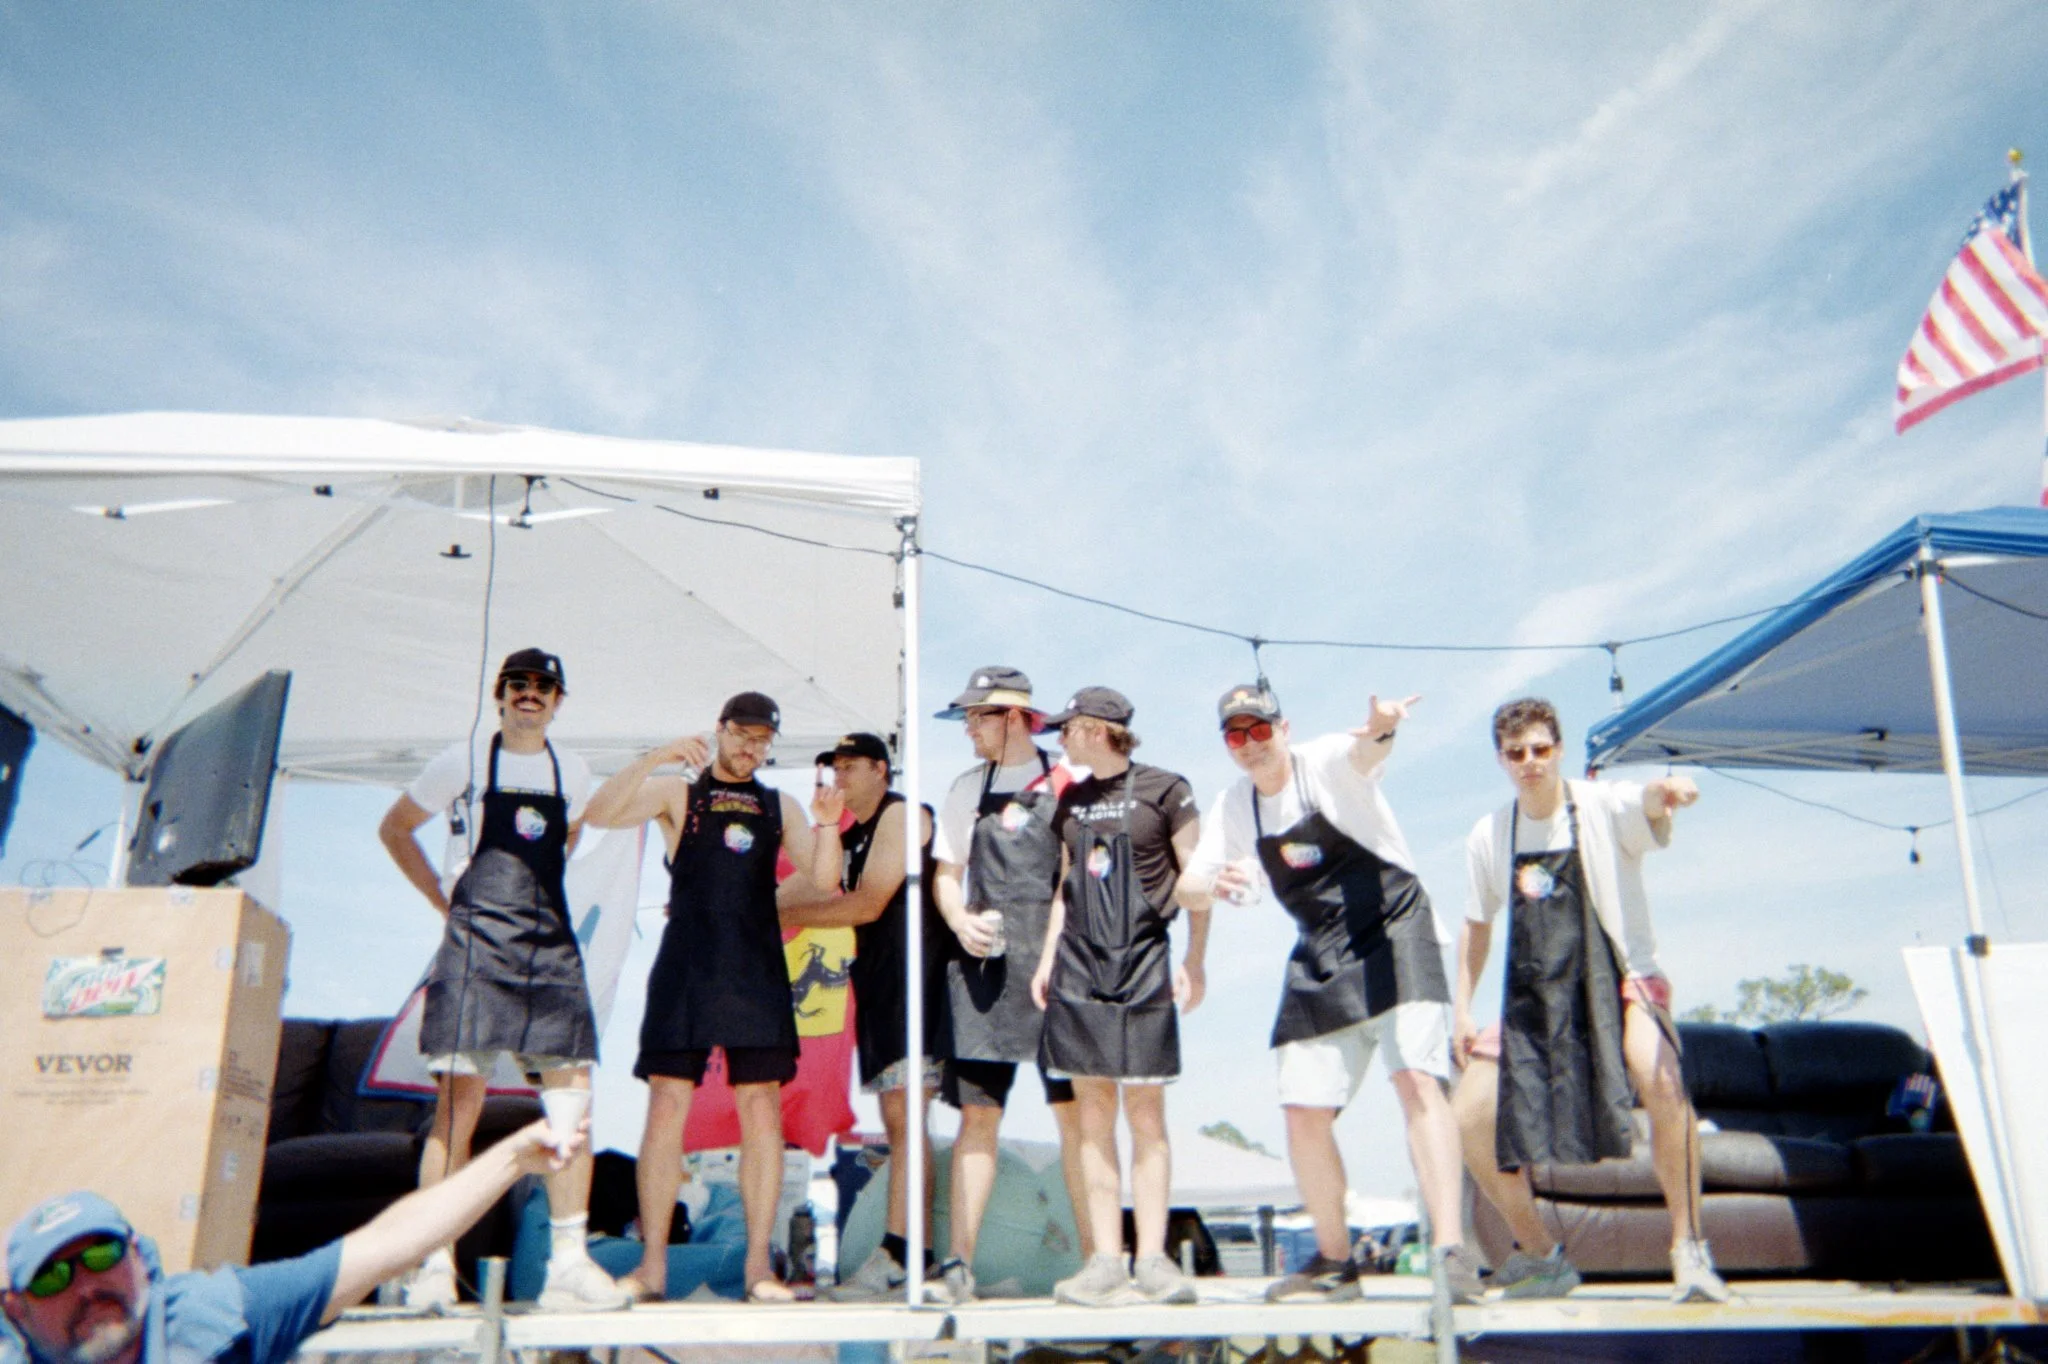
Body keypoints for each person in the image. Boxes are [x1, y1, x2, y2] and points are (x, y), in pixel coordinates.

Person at [1183, 685, 1483, 1304]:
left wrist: (1382, 728)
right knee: (1302, 1109)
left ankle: (1451, 1252)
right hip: (1321, 951)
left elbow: (1366, 753)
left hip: (1397, 933)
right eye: (1236, 735)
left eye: (1260, 729)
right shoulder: (1235, 804)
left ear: (1284, 729)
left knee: (1417, 1082)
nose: (1250, 744)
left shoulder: (1321, 761)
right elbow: (1187, 887)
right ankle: (1334, 1261)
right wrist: (1216, 882)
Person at [1453, 696, 1730, 1303]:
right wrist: (1462, 1009)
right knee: (1469, 1111)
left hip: (1625, 977)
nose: (1530, 762)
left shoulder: (1602, 805)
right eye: (1516, 753)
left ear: (1559, 750)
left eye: (1540, 749)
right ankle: (1538, 1255)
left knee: (1658, 1076)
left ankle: (1689, 1248)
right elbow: (1476, 925)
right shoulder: (1489, 834)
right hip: (1539, 993)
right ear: (1501, 760)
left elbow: (1646, 801)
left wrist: (1668, 791)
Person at [375, 646, 624, 1311]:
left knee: (573, 1101)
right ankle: (433, 1264)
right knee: (458, 1107)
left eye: (543, 686)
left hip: (549, 944)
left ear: (558, 701)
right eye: (518, 683)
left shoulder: (573, 769)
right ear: (499, 693)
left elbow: (568, 836)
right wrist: (442, 898)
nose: (529, 694)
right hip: (477, 943)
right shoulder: (460, 760)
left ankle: (568, 1265)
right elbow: (395, 829)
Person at [583, 691, 838, 1304]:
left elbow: (826, 879)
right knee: (667, 1104)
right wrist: (655, 757)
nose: (750, 747)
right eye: (741, 734)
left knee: (762, 1108)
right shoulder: (680, 792)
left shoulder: (780, 805)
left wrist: (828, 823)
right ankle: (651, 1267)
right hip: (687, 966)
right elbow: (600, 813)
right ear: (719, 730)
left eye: (762, 739)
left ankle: (757, 1268)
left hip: (755, 968)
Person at [2, 1120, 584, 1364]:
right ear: (16, 1310)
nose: (87, 1286)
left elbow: (387, 1244)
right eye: (53, 1277)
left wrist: (512, 1159)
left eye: (100, 1255)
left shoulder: (212, 1317)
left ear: (136, 1257)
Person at [1029, 687, 1207, 1307]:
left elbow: (1196, 880)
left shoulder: (1167, 790)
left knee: (1146, 1114)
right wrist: (1048, 959)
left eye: (1066, 728)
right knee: (1092, 1115)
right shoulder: (1071, 801)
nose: (1059, 739)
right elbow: (1064, 887)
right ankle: (1106, 1261)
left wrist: (1194, 960)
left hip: (1145, 958)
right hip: (1079, 963)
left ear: (1096, 729)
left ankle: (1153, 1259)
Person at [926, 667, 1089, 1306]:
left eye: (978, 717)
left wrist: (1055, 952)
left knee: (1078, 1119)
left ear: (1015, 717)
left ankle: (1099, 1260)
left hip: (1058, 968)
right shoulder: (967, 787)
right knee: (978, 1117)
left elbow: (1077, 878)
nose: (969, 728)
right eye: (967, 717)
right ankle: (958, 1266)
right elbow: (947, 875)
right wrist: (959, 920)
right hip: (985, 972)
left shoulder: (1068, 780)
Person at [778, 733, 944, 1301]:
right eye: (834, 768)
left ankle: (902, 1254)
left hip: (916, 982)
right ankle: (912, 1255)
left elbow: (868, 903)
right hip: (879, 986)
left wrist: (772, 919)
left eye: (850, 766)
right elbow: (787, 895)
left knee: (907, 1119)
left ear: (881, 768)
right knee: (898, 1122)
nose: (839, 777)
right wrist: (729, 910)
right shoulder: (846, 835)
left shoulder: (903, 814)